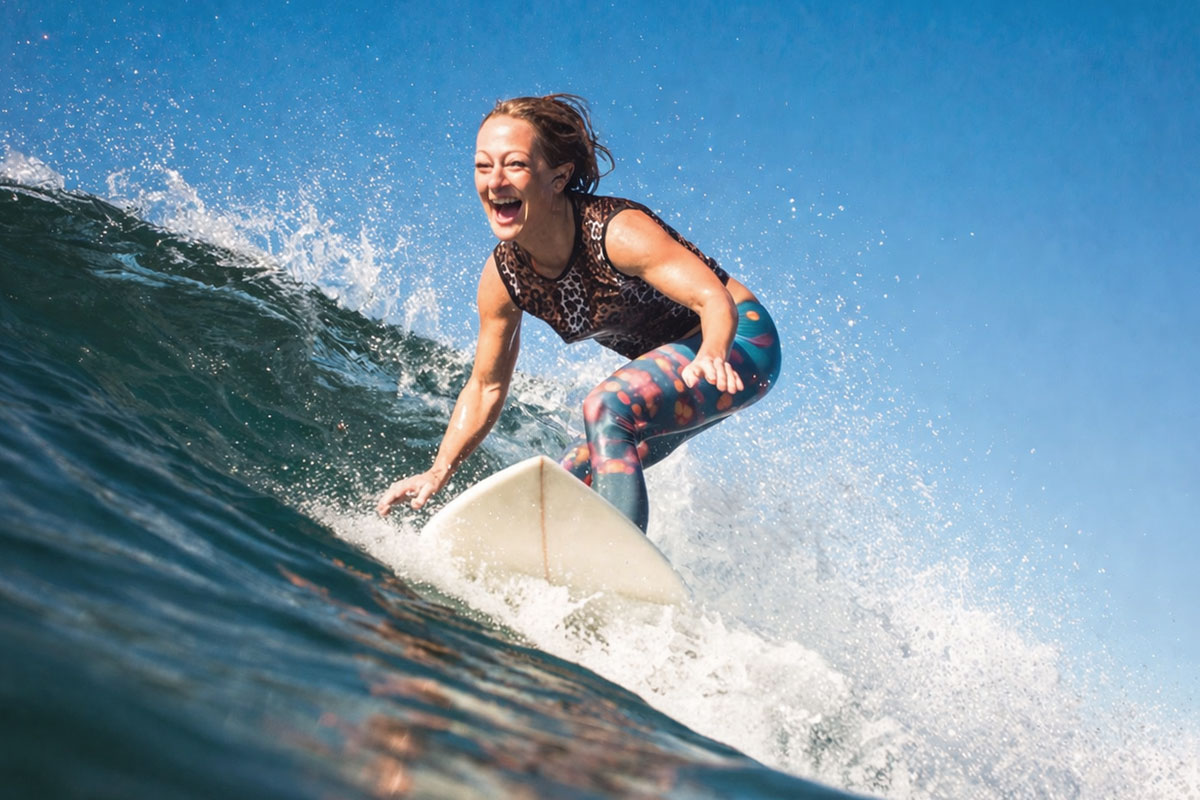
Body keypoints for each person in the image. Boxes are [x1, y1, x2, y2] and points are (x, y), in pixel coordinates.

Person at [376, 94, 781, 532]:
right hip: (690, 365)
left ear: (558, 176)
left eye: (514, 164)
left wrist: (714, 352)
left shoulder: (616, 233)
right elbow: (486, 385)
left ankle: (622, 565)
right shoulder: (504, 276)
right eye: (482, 166)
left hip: (739, 344)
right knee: (572, 471)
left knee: (607, 408)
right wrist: (440, 470)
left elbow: (712, 298)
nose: (495, 181)